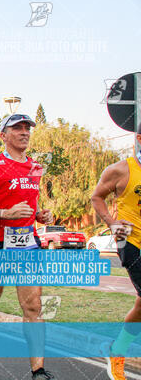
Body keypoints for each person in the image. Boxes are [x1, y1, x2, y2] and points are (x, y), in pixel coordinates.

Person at [0, 113, 55, 380]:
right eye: (17, 128)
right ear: (4, 135)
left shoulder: (36, 167)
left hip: (27, 244)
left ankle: (38, 370)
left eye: (27, 128)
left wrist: (41, 215)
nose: (24, 132)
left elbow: (32, 200)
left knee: (32, 306)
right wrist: (7, 213)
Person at [91, 122, 141, 380]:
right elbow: (97, 196)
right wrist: (111, 223)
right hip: (132, 242)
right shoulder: (121, 170)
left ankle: (116, 350)